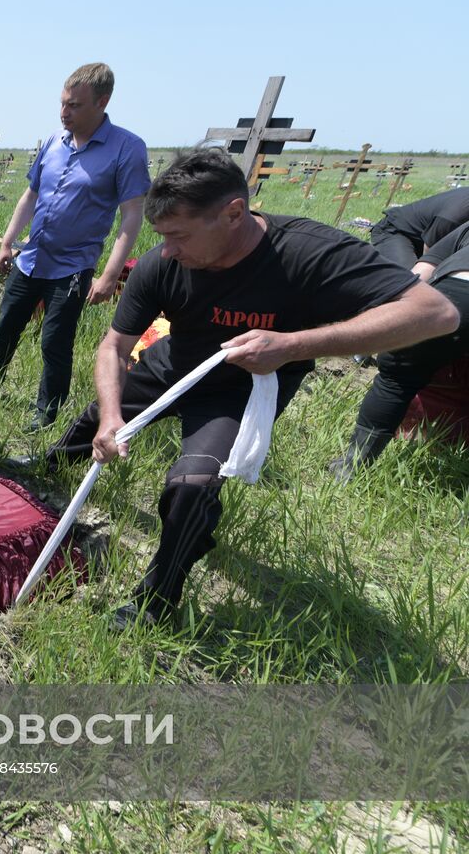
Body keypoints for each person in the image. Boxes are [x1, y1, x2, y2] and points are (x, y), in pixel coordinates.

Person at [40, 148, 458, 629]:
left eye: (179, 235)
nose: (167, 250)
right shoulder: (164, 262)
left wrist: (293, 345)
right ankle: (49, 468)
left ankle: (156, 599)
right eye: (162, 237)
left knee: (192, 488)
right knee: (97, 418)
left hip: (242, 392)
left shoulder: (308, 253)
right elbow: (114, 347)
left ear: (233, 214)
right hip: (173, 365)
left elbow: (435, 313)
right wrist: (114, 417)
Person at [0, 63, 149, 430]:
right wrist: (8, 242)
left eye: (75, 105)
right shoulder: (55, 141)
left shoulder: (126, 149)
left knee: (55, 341)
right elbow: (30, 195)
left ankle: (47, 411)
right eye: (62, 103)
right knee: (6, 326)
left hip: (72, 266)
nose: (64, 113)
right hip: (31, 258)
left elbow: (131, 215)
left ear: (102, 102)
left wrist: (109, 274)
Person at [330, 220, 469, 480]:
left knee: (397, 377)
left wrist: (399, 327)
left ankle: (352, 467)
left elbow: (421, 275)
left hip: (460, 291)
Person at [369, 189, 469, 270]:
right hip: (396, 231)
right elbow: (429, 255)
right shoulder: (455, 216)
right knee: (410, 281)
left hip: (428, 238)